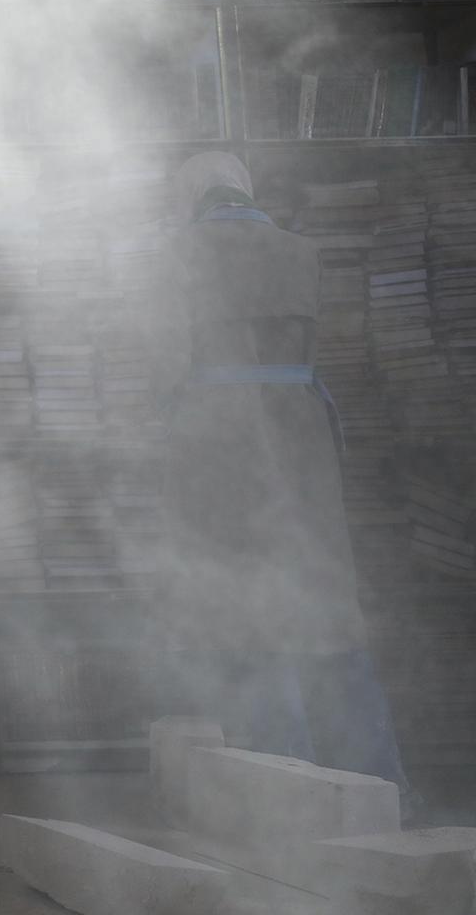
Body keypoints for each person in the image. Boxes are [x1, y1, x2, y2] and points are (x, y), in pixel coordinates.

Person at [152, 151, 409, 796]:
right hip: (302, 438)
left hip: (220, 436)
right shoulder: (301, 249)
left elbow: (161, 360)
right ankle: (381, 785)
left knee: (243, 605)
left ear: (190, 193)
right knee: (326, 605)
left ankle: (286, 790)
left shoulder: (176, 254)